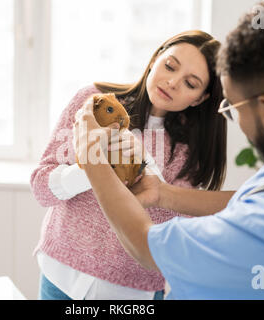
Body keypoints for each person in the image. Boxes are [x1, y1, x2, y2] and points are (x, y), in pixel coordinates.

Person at [73, 2, 264, 299]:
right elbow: (248, 199)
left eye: (232, 110)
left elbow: (147, 246)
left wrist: (92, 157)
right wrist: (163, 193)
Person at [30, 30, 227, 300]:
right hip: (59, 278)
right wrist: (92, 165)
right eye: (170, 66)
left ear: (200, 98)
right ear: (155, 59)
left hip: (130, 294)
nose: (171, 82)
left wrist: (140, 165)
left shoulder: (190, 150)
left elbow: (170, 235)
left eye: (190, 83)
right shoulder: (93, 102)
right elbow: (41, 188)